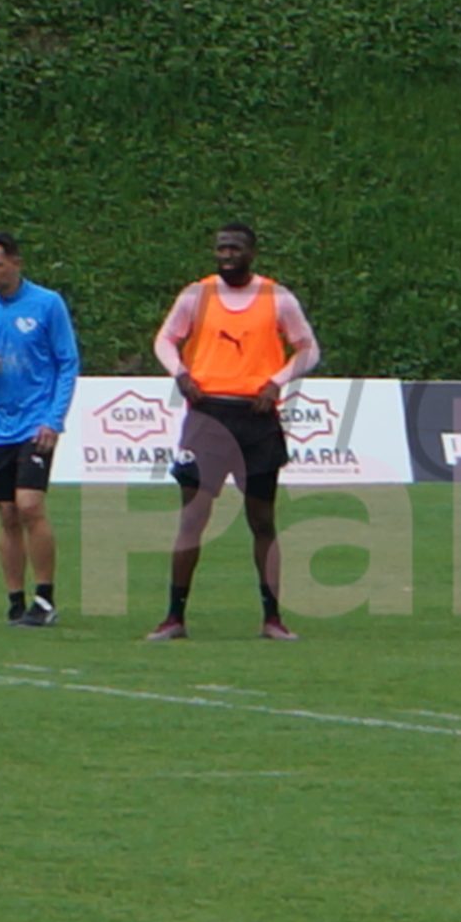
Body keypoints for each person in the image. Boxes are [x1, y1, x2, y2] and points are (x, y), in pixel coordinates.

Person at [145, 222, 321, 642]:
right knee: (193, 519)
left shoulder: (276, 297)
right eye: (221, 248)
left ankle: (272, 618)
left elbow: (308, 347)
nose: (226, 255)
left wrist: (277, 382)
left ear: (251, 253)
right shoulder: (196, 295)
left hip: (256, 418)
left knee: (262, 521)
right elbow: (165, 339)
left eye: (235, 248)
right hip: (207, 415)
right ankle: (174, 617)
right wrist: (181, 374)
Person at [0, 232, 80, 627]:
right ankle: (14, 599)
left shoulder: (46, 304)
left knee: (30, 505)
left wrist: (53, 420)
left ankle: (44, 598)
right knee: (7, 513)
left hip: (34, 422)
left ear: (16, 263)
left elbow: (67, 362)